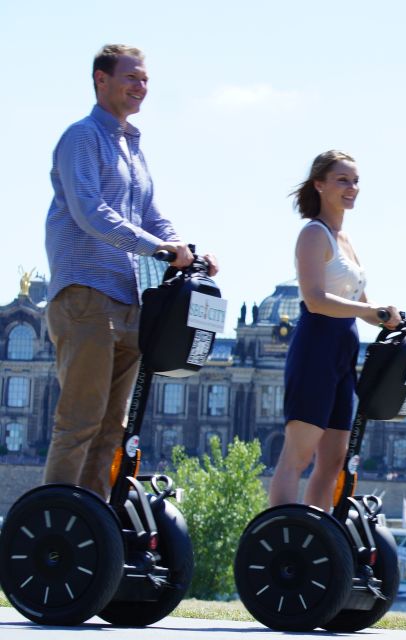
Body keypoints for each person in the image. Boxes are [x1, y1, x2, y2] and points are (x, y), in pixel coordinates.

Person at [43, 44, 218, 500]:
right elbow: (90, 212)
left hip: (127, 300)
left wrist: (187, 250)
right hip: (85, 294)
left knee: (111, 430)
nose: (141, 87)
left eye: (145, 80)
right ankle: (58, 517)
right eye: (132, 78)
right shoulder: (82, 137)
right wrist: (157, 248)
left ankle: (92, 519)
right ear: (101, 80)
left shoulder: (133, 147)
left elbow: (152, 216)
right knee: (80, 420)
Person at [268, 150, 406, 510]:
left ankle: (318, 528)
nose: (352, 188)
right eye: (342, 180)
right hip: (317, 347)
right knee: (297, 456)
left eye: (355, 181)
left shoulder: (345, 239)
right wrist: (372, 310)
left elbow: (363, 305)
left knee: (333, 461)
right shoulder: (314, 234)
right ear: (319, 185)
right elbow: (316, 299)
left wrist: (399, 318)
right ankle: (278, 529)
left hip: (343, 353)